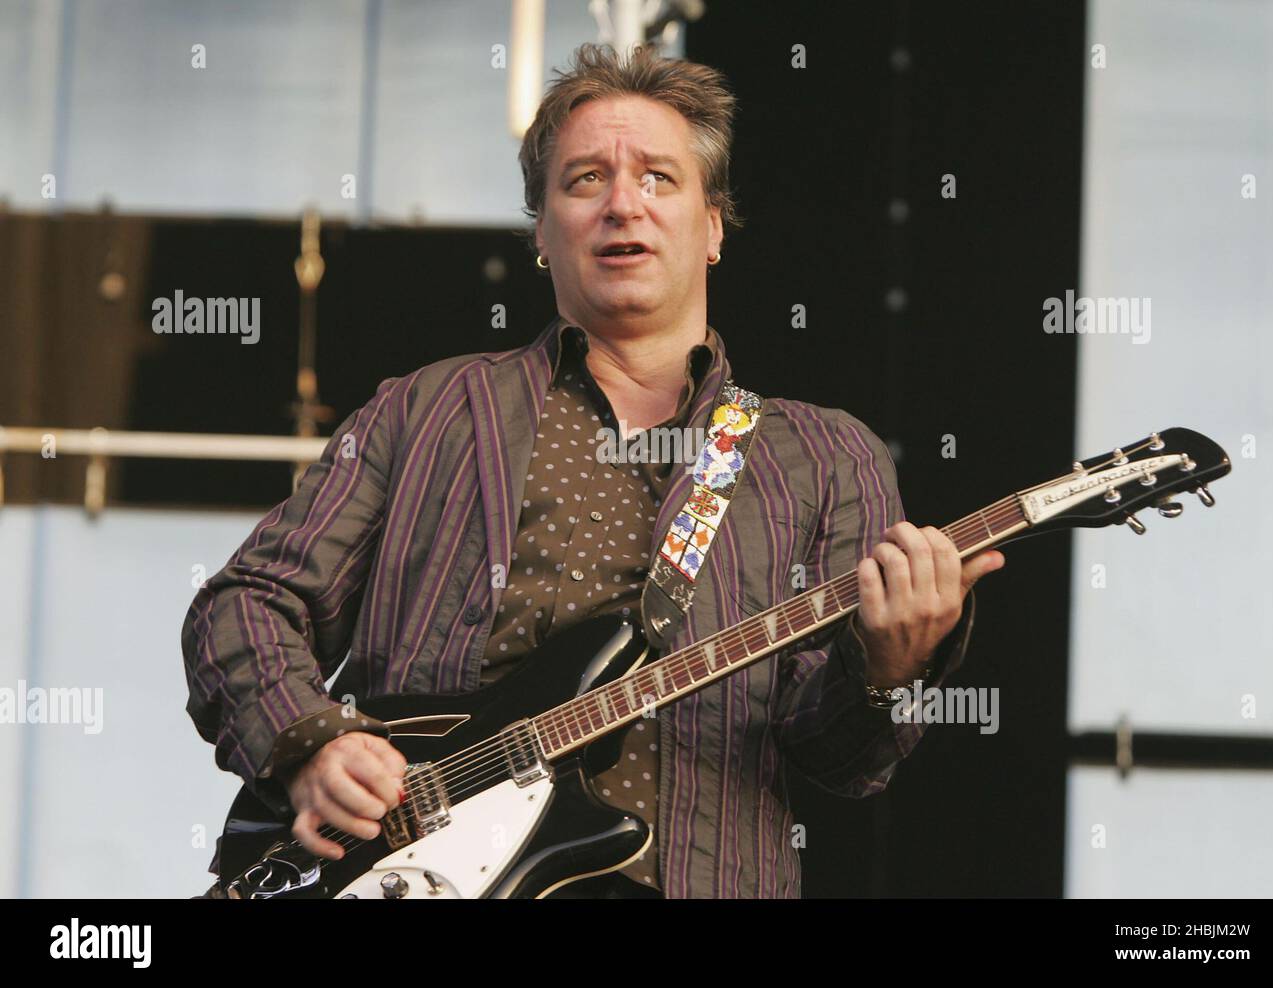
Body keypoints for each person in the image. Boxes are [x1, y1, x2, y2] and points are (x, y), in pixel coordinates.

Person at [182, 43, 1004, 899]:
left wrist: (887, 667)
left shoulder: (829, 458)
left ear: (714, 224)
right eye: (584, 180)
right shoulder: (427, 411)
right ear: (540, 229)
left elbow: (843, 761)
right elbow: (245, 603)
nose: (622, 204)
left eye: (658, 178)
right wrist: (311, 743)